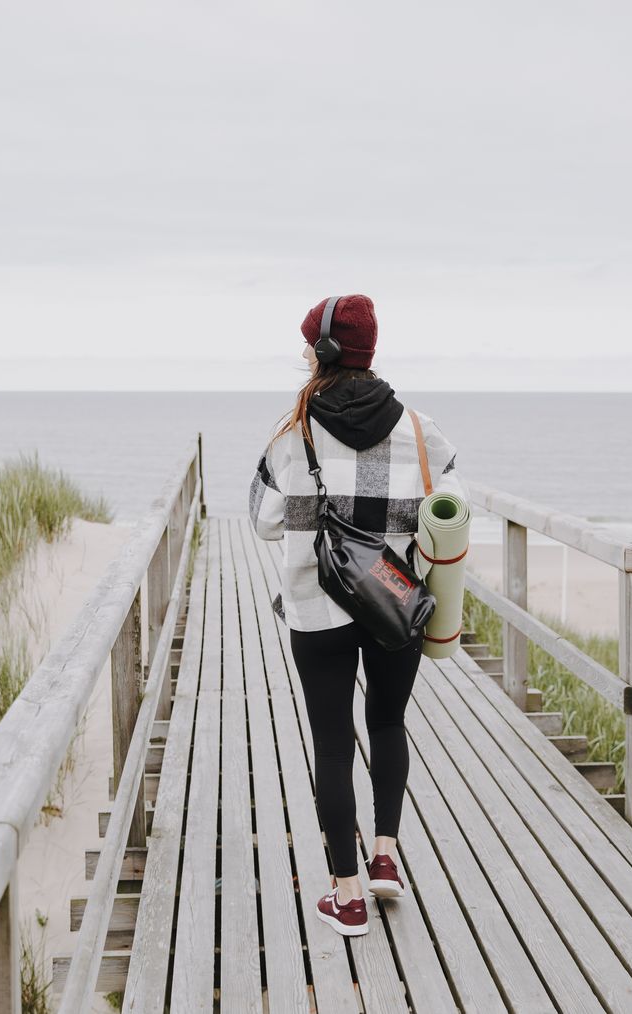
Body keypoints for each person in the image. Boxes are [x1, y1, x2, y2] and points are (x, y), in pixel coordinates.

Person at [247, 293, 466, 937]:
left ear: (323, 351)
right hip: (394, 605)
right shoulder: (421, 431)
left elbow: (263, 520)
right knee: (389, 723)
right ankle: (385, 857)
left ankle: (346, 897)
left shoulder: (294, 432)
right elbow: (451, 514)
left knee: (333, 742)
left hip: (317, 607)